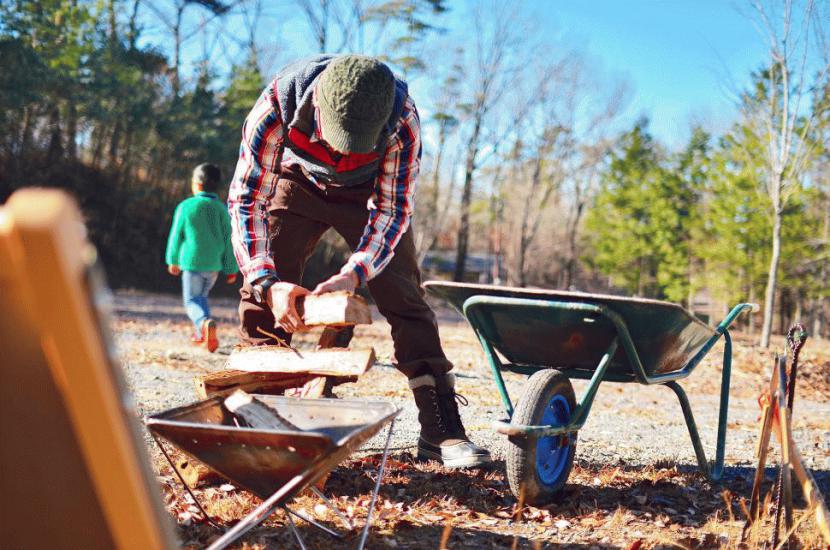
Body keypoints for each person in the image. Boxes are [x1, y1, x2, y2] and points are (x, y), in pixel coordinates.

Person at [228, 54, 491, 468]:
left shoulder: (403, 121)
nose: (338, 153)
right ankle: (258, 415)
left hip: (365, 195)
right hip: (295, 181)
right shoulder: (275, 106)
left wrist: (356, 273)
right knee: (265, 281)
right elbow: (248, 200)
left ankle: (442, 429)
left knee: (404, 294)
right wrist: (266, 282)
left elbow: (392, 212)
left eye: (354, 144)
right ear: (316, 106)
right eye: (335, 138)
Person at [166, 163, 238, 352]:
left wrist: (172, 259)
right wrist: (231, 269)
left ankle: (203, 323)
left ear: (196, 184)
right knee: (201, 297)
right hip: (213, 266)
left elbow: (176, 236)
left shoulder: (186, 206)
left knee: (191, 300)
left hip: (192, 263)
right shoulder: (222, 210)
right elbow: (229, 241)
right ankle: (203, 334)